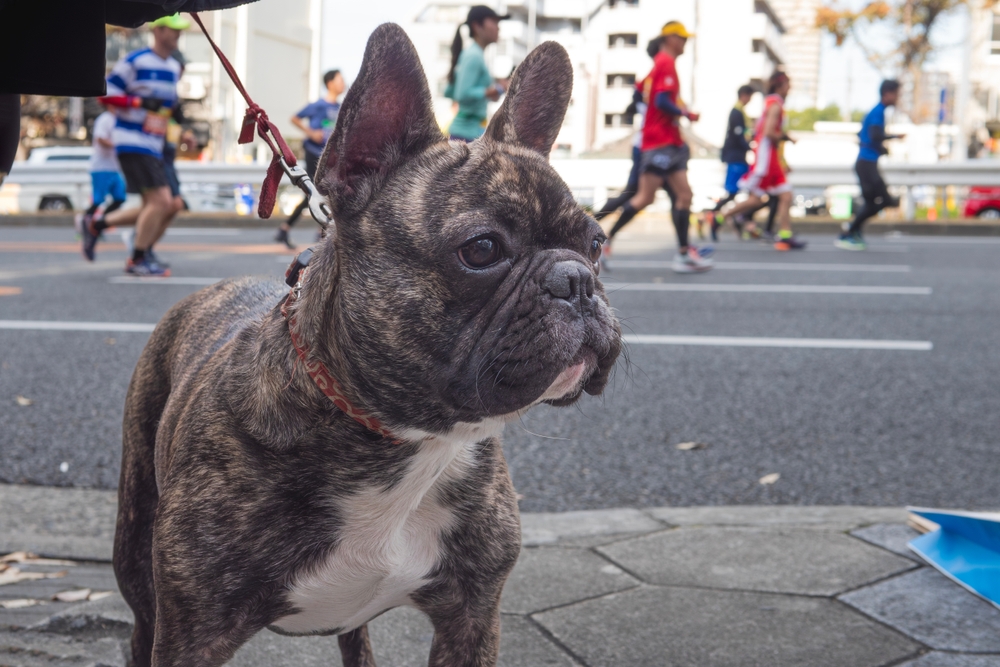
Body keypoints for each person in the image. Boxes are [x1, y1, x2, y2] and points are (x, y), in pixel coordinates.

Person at [598, 21, 711, 274]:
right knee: (652, 197)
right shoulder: (665, 62)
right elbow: (661, 101)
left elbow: (639, 95)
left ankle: (682, 253)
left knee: (670, 196)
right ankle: (605, 242)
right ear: (669, 38)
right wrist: (685, 113)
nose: (684, 43)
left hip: (662, 142)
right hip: (661, 143)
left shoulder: (655, 68)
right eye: (681, 38)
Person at [79, 13, 187, 276]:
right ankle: (138, 259)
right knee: (162, 201)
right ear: (158, 31)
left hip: (154, 143)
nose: (177, 35)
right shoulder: (135, 61)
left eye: (180, 31)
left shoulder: (173, 67)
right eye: (172, 30)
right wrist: (138, 103)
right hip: (131, 140)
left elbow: (169, 108)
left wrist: (181, 126)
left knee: (156, 203)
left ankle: (98, 223)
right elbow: (106, 94)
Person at [723, 71, 806, 251]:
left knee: (775, 197)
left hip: (768, 157)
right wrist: (785, 138)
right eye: (787, 84)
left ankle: (784, 235)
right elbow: (769, 132)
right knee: (766, 198)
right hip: (766, 159)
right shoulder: (775, 104)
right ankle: (722, 217)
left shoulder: (771, 103)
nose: (789, 88)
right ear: (780, 85)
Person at [275, 69, 346, 249]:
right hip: (314, 152)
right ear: (330, 83)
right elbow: (295, 118)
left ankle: (297, 231)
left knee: (324, 193)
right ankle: (314, 233)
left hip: (329, 155)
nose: (343, 83)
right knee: (316, 193)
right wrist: (310, 133)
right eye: (339, 79)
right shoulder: (319, 105)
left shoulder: (339, 108)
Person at [837, 79, 904, 250]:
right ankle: (849, 232)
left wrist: (880, 149)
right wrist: (894, 138)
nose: (897, 97)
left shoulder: (875, 111)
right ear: (887, 94)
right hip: (866, 164)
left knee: (872, 203)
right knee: (884, 200)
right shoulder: (878, 112)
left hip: (866, 163)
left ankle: (853, 231)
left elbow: (863, 135)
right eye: (896, 94)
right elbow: (874, 135)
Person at [444, 5, 510, 143]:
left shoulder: (474, 54)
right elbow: (461, 94)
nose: (498, 27)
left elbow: (450, 91)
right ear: (477, 26)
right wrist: (491, 91)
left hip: (469, 132)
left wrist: (492, 90)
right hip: (464, 135)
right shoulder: (473, 56)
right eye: (494, 22)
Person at [707, 85, 755, 241]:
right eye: (749, 96)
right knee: (737, 193)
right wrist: (751, 147)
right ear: (743, 95)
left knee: (746, 193)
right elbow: (739, 137)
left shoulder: (741, 112)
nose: (750, 100)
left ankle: (742, 224)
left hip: (738, 157)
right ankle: (710, 217)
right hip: (735, 157)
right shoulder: (736, 112)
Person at [79, 104, 127, 227]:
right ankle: (84, 225)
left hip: (115, 167)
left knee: (120, 198)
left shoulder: (120, 119)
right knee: (98, 200)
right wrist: (118, 146)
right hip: (101, 167)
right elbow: (100, 139)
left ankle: (99, 224)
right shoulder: (105, 119)